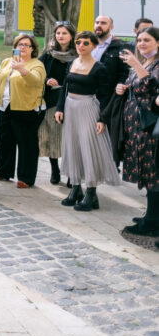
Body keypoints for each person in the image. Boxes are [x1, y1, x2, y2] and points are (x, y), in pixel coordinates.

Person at [55, 31, 120, 211]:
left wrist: (102, 119)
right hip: (70, 107)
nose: (81, 46)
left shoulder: (99, 68)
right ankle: (76, 189)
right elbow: (64, 87)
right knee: (72, 146)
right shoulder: (71, 63)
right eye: (78, 43)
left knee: (88, 147)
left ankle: (91, 193)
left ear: (93, 46)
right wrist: (60, 108)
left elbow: (105, 96)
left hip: (88, 108)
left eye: (85, 43)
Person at [0, 34, 47, 188]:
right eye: (19, 44)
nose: (22, 47)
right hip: (5, 107)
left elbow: (36, 81)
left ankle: (26, 178)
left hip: (27, 109)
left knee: (26, 144)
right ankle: (3, 171)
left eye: (26, 45)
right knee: (4, 141)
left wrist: (22, 69)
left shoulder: (36, 64)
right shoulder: (7, 62)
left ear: (33, 49)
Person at [119, 27, 159, 236]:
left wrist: (135, 64)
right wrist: (123, 87)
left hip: (150, 126)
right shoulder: (143, 62)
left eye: (147, 40)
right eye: (139, 40)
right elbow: (133, 85)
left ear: (158, 43)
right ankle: (151, 215)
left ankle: (153, 221)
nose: (142, 43)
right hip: (136, 126)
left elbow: (152, 87)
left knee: (153, 172)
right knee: (145, 171)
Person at [39, 22, 77, 184]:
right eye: (58, 33)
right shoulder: (48, 53)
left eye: (64, 33)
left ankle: (71, 173)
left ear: (71, 36)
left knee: (70, 140)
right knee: (51, 137)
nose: (60, 36)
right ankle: (55, 170)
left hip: (72, 101)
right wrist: (47, 80)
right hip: (51, 101)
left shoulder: (77, 54)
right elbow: (38, 71)